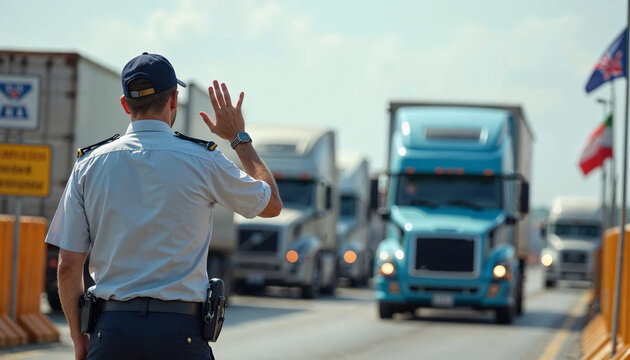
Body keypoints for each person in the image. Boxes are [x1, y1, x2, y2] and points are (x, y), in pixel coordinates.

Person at [45, 52, 282, 360]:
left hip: (111, 331)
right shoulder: (204, 160)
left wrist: (80, 340)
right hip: (180, 334)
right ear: (174, 100)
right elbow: (272, 205)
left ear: (125, 104)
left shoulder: (89, 165)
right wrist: (239, 138)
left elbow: (68, 265)